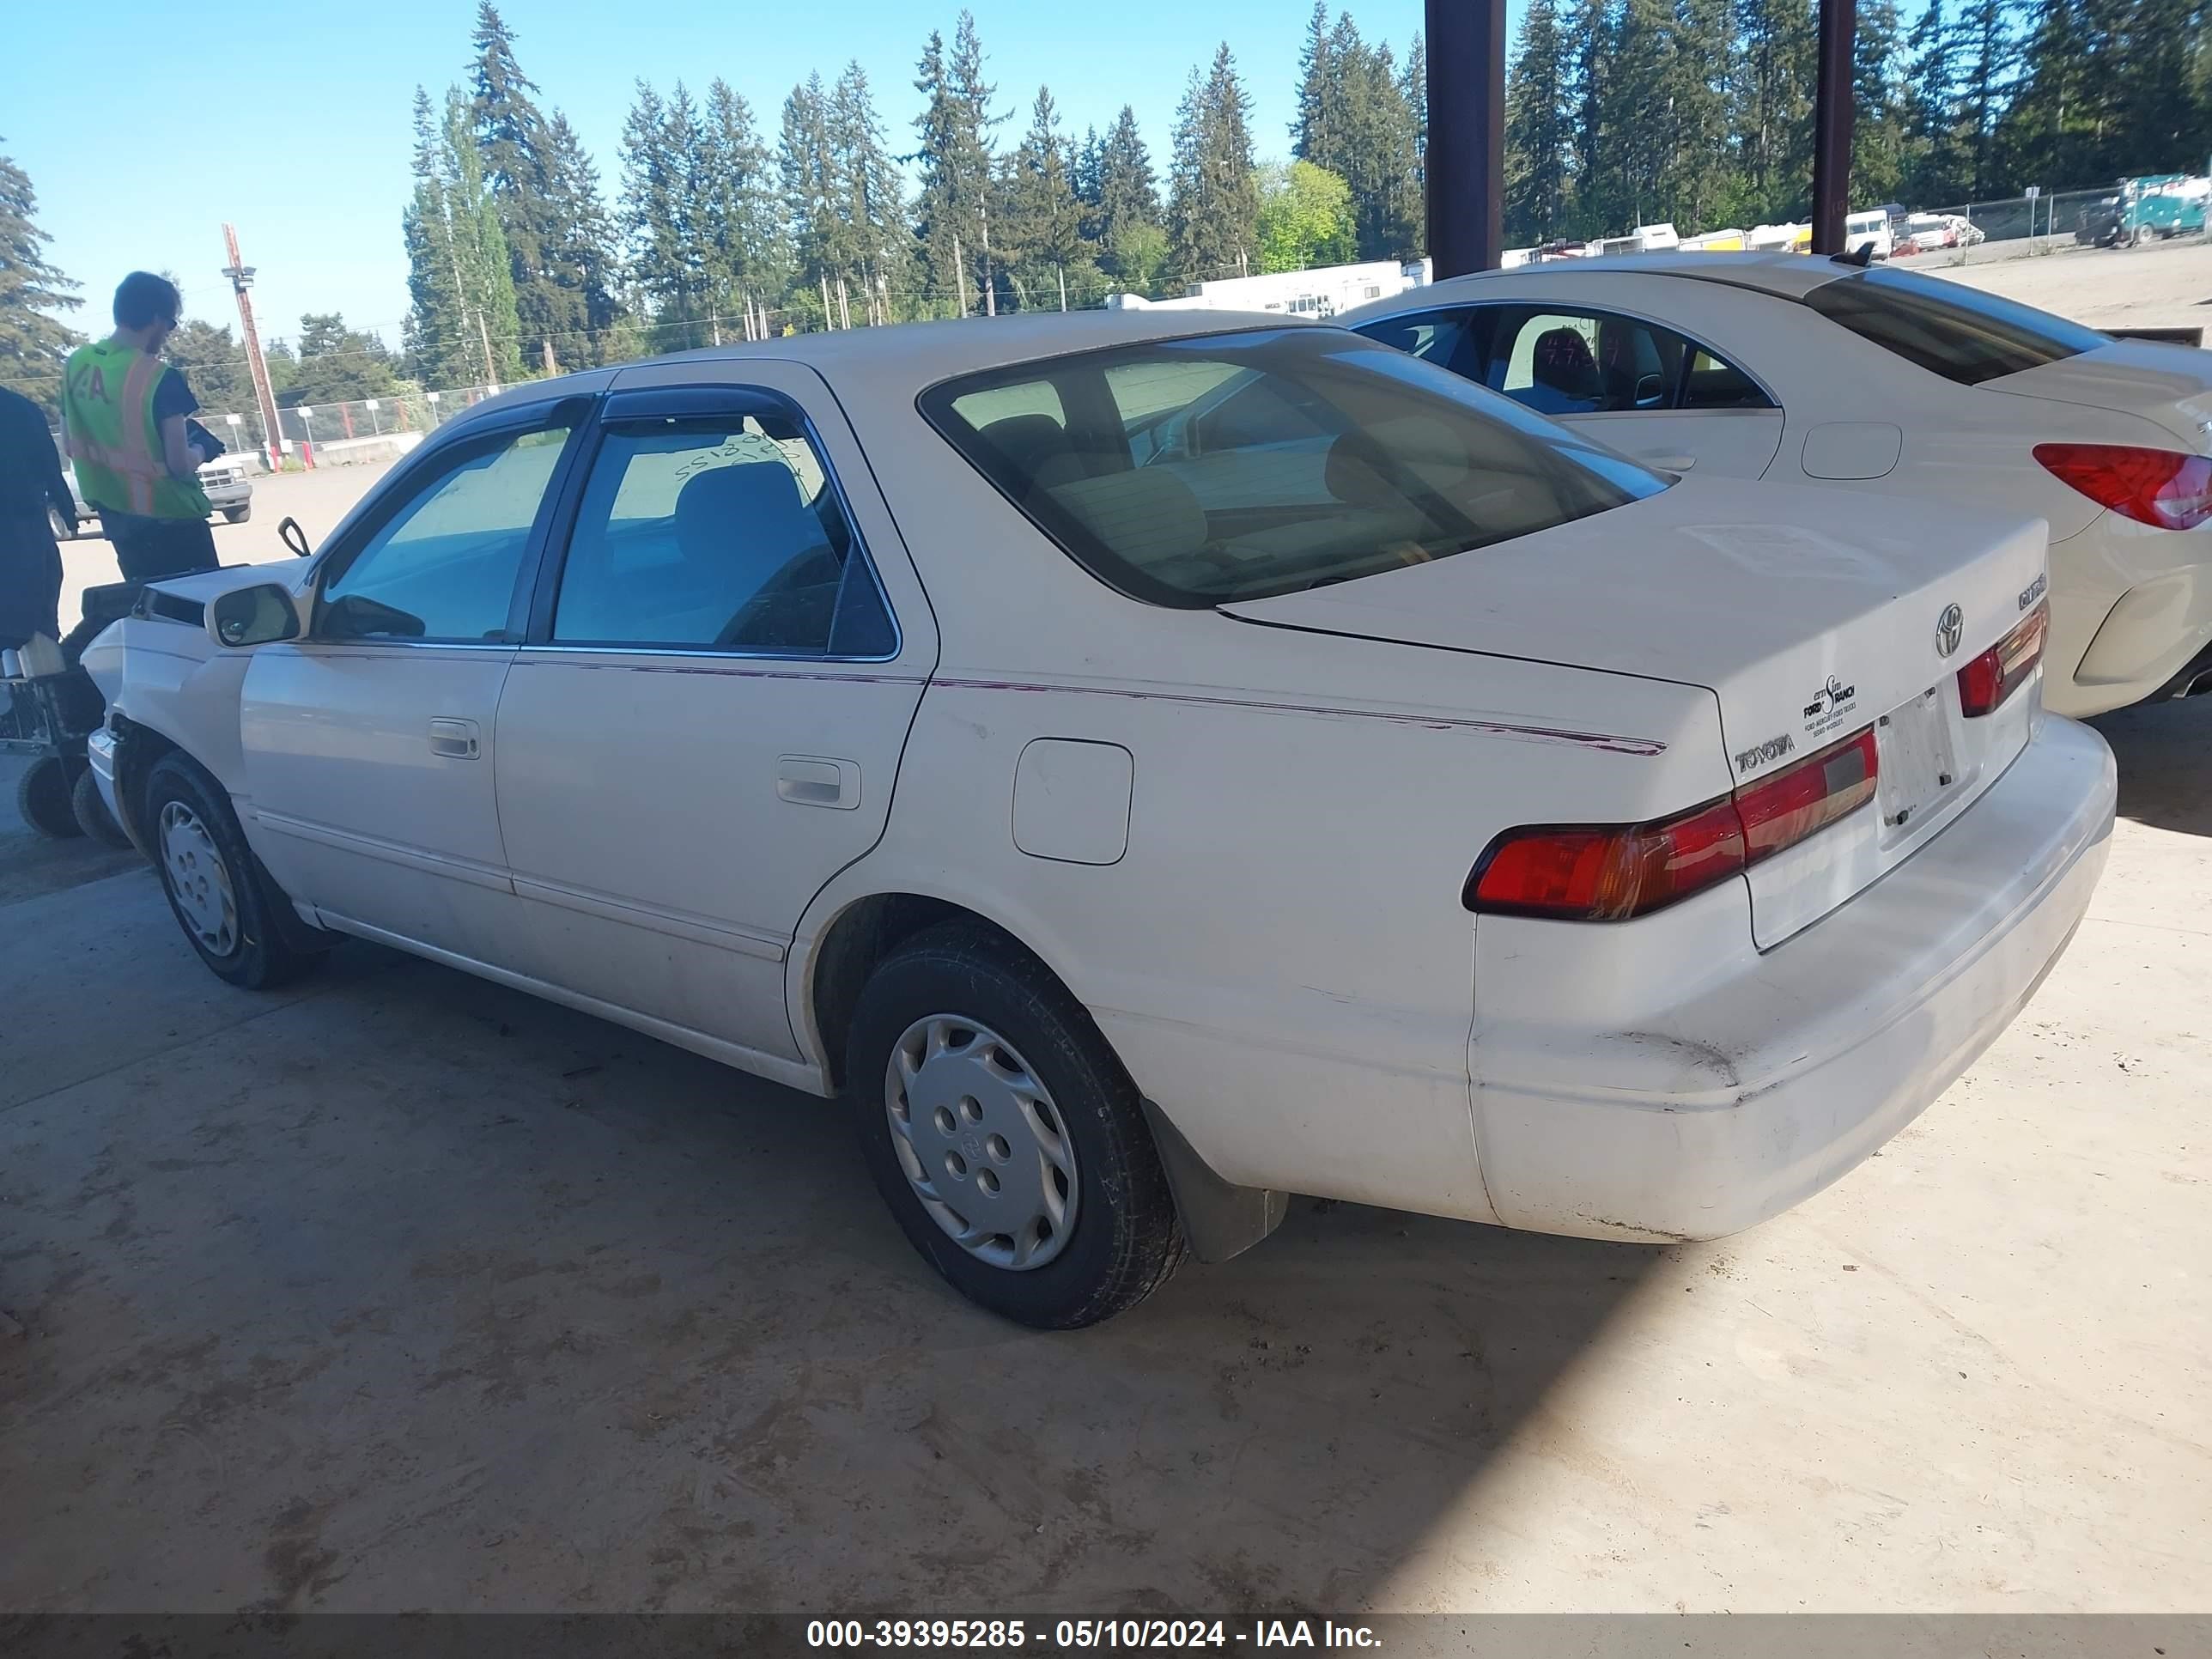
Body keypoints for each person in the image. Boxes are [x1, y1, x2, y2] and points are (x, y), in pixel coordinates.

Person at [58, 271, 220, 584]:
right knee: (200, 619)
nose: (169, 334)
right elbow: (178, 465)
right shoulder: (159, 376)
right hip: (174, 522)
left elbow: (69, 444)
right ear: (157, 320)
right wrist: (203, 447)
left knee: (153, 619)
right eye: (171, 325)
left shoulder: (77, 364)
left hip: (119, 522)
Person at [0, 382, 72, 653]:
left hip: (24, 546)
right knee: (41, 646)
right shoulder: (23, 410)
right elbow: (52, 474)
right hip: (30, 547)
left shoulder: (22, 410)